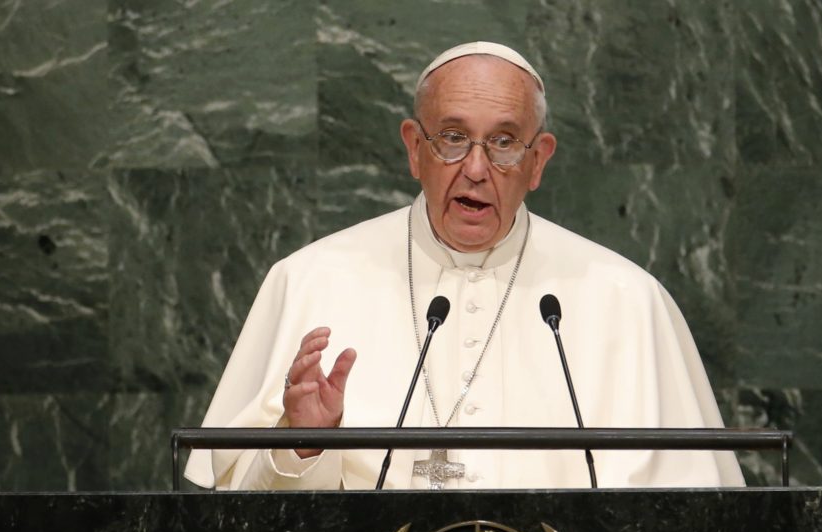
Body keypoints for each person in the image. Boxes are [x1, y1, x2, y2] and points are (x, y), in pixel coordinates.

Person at [184, 41, 745, 491]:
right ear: (413, 148)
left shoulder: (629, 301)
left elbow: (691, 531)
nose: (476, 168)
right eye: (452, 138)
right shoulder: (309, 280)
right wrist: (301, 443)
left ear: (537, 161)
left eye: (504, 142)